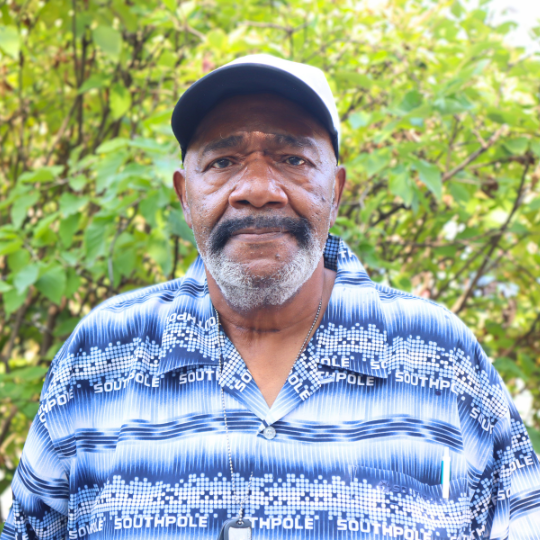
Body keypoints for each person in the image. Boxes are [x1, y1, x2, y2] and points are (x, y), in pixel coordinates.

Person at [2, 54, 539, 540]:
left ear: (337, 190)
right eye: (223, 162)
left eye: (292, 159)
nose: (257, 188)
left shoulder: (441, 357)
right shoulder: (100, 355)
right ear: (184, 196)